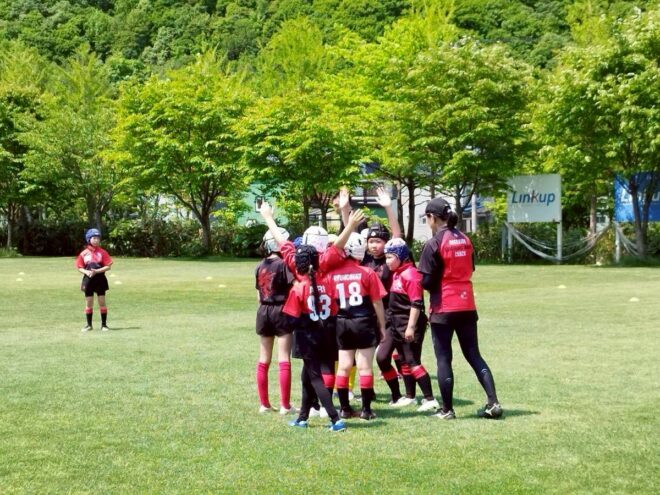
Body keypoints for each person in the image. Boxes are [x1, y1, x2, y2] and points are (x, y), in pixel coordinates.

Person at [259, 201, 365, 417]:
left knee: (309, 369)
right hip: (327, 324)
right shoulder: (326, 261)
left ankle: (313, 406)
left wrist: (268, 217)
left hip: (305, 326)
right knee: (327, 365)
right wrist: (349, 225)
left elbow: (283, 242)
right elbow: (339, 246)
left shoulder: (296, 265)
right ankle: (325, 406)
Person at [417, 197, 503, 420]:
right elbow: (470, 268)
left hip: (444, 306)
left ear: (432, 218)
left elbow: (426, 281)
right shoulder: (465, 238)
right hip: (466, 303)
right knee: (474, 354)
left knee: (444, 358)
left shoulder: (434, 243)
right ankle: (493, 402)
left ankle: (447, 410)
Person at [282, 244, 346, 432]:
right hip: (326, 334)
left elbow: (291, 318)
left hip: (307, 337)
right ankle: (303, 417)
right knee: (306, 377)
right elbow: (334, 310)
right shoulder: (327, 283)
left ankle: (335, 419)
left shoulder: (299, 287)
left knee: (315, 378)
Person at [326, 232, 387, 420]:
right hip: (363, 320)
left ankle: (344, 409)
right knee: (365, 366)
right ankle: (366, 410)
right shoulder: (367, 272)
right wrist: (382, 326)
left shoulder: (333, 274)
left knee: (343, 366)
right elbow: (377, 302)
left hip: (342, 321)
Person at [378, 238, 438, 412]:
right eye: (386, 257)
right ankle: (410, 396)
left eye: (390, 257)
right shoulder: (398, 273)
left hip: (408, 324)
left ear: (401, 256)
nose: (387, 261)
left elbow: (416, 303)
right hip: (396, 324)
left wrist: (411, 327)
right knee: (404, 360)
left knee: (412, 361)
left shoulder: (410, 275)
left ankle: (430, 398)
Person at [255, 228, 296, 415]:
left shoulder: (259, 266)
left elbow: (259, 295)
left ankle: (264, 404)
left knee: (264, 359)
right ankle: (285, 405)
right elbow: (294, 287)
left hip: (263, 311)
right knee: (284, 358)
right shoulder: (284, 264)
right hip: (281, 310)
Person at [75, 228, 113, 332]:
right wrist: (86, 272)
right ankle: (89, 325)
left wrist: (97, 271)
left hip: (100, 279)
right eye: (94, 238)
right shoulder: (84, 253)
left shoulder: (103, 252)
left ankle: (104, 325)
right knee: (89, 302)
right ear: (89, 239)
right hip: (88, 280)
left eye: (98, 238)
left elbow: (108, 266)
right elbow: (79, 266)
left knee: (102, 302)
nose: (96, 240)